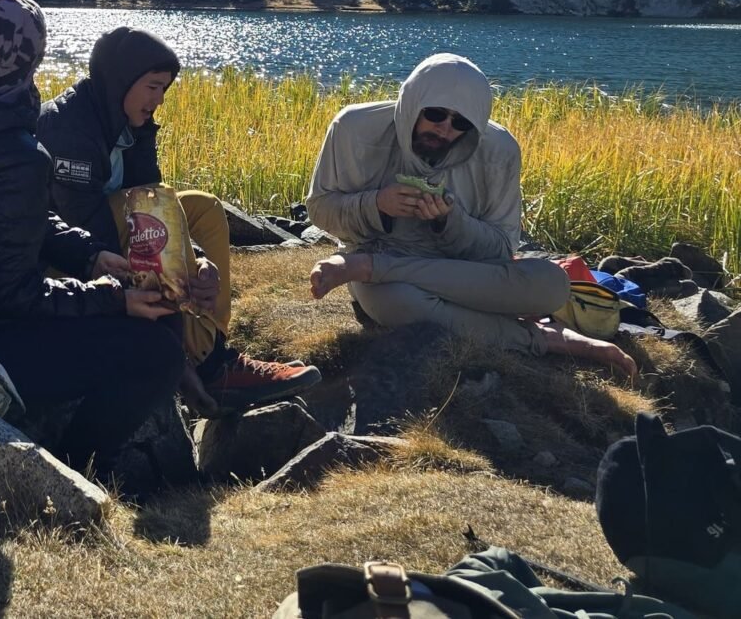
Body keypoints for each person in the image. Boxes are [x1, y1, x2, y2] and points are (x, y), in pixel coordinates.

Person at [0, 0, 185, 487]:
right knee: (158, 354)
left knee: (144, 328)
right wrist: (110, 299)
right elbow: (8, 295)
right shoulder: (15, 153)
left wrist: (89, 255)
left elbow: (9, 220)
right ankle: (76, 471)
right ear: (33, 56)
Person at [39, 26, 321, 412]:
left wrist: (198, 260)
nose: (159, 99)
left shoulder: (129, 122)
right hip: (68, 259)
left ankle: (213, 349)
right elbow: (86, 227)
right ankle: (208, 366)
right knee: (145, 207)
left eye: (165, 89)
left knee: (203, 207)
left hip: (114, 237)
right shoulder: (68, 126)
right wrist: (172, 300)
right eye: (153, 87)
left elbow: (156, 199)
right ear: (121, 80)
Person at [306, 52, 636, 377]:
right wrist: (377, 204)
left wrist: (451, 223)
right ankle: (543, 339)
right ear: (411, 104)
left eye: (460, 122)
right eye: (435, 114)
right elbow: (320, 209)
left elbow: (500, 250)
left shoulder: (499, 149)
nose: (444, 129)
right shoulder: (353, 127)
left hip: (455, 271)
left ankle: (370, 267)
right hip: (384, 274)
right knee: (396, 302)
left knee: (553, 286)